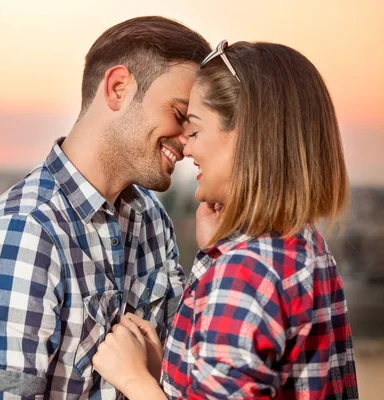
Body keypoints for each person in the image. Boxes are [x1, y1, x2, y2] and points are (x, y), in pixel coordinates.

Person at [0, 16, 211, 399]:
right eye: (178, 114)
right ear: (118, 88)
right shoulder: (22, 235)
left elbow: (184, 377)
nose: (188, 144)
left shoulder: (153, 220)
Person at [91, 40, 359, 399]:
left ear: (248, 136)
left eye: (197, 130)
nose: (187, 148)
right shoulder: (309, 250)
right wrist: (171, 369)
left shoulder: (244, 274)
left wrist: (133, 379)